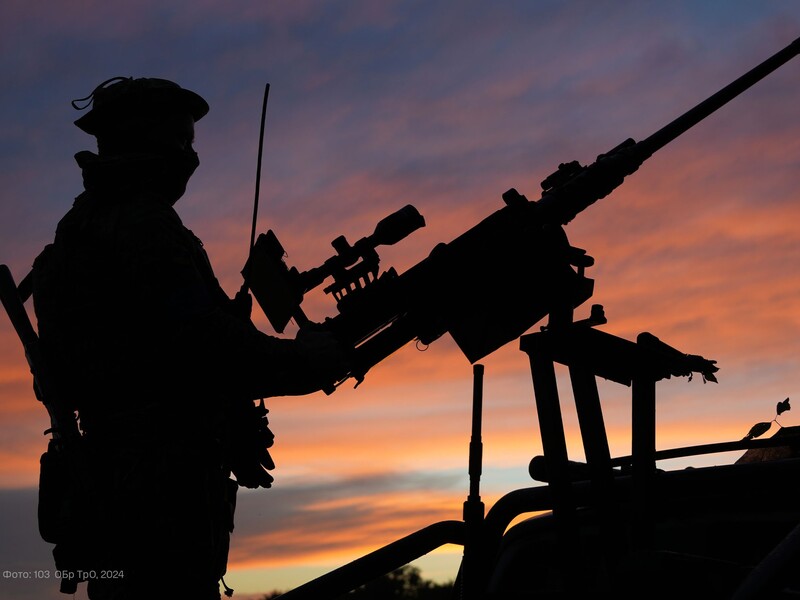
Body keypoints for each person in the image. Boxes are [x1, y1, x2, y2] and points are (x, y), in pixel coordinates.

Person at [30, 77, 349, 599]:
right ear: (142, 140)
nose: (190, 158)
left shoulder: (80, 229)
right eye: (180, 142)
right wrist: (312, 359)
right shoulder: (144, 228)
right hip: (160, 496)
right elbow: (214, 349)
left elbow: (167, 355)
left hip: (117, 490)